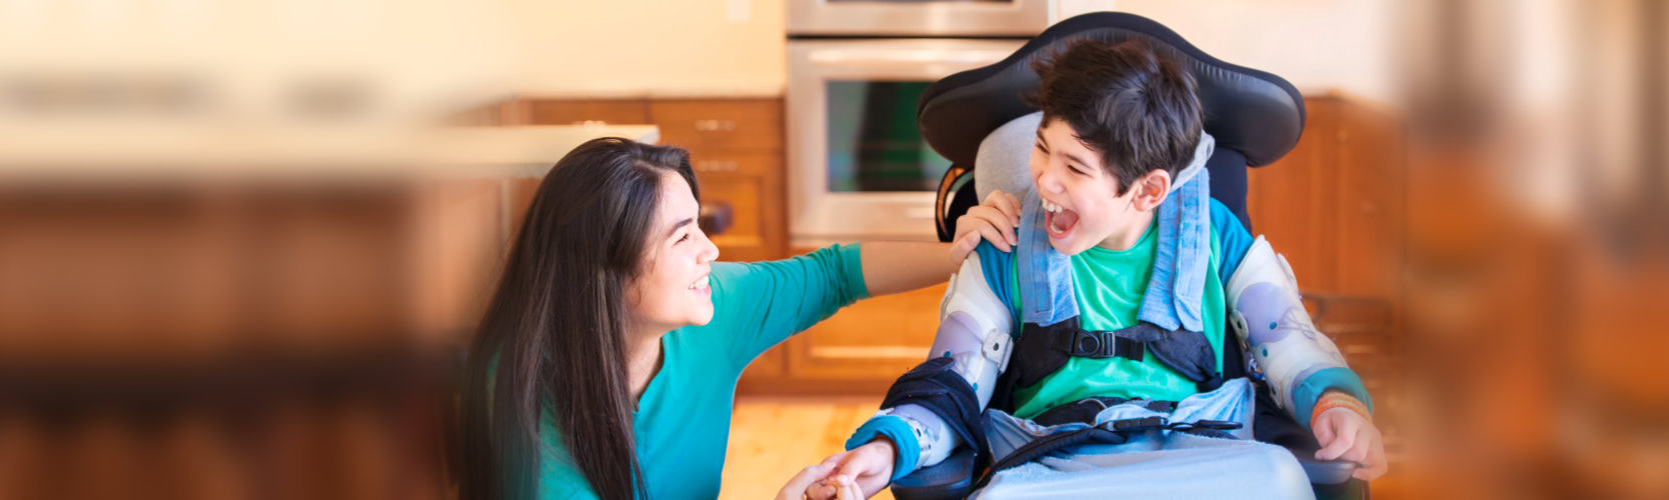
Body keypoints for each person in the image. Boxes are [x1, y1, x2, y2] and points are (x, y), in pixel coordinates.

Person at [794, 39, 1388, 499]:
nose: (1045, 180)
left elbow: (1288, 342)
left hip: (1204, 461)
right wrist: (889, 447)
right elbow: (952, 380)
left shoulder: (1215, 237)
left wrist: (1338, 403)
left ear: (1149, 189)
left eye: (1076, 168)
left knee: (1282, 478)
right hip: (1054, 467)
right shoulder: (1006, 244)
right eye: (1043, 148)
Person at [456, 137, 964, 499]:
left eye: (698, 225)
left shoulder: (714, 308)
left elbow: (836, 273)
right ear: (603, 271)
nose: (711, 249)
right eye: (682, 237)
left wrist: (963, 254)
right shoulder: (528, 397)